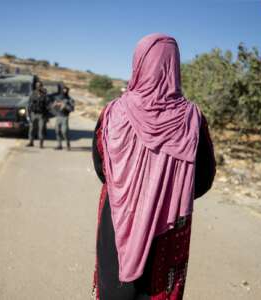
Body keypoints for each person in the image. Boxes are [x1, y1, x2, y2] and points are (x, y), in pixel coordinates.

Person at [91, 34, 216, 300]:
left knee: (115, 287)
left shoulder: (112, 112)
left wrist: (129, 189)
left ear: (138, 63)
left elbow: (102, 168)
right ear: (174, 65)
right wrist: (168, 194)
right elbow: (204, 178)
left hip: (117, 216)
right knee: (159, 289)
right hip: (170, 222)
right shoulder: (193, 118)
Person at [52, 86, 74, 150]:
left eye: (66, 90)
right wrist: (55, 105)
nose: (64, 91)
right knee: (57, 131)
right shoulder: (58, 98)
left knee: (64, 131)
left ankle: (67, 144)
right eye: (63, 90)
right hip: (58, 116)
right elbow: (53, 107)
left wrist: (65, 106)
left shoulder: (70, 99)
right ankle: (59, 145)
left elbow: (72, 109)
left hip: (65, 117)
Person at [27, 81, 47, 148]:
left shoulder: (44, 95)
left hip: (41, 115)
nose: (38, 86)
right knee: (31, 129)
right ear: (35, 86)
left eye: (40, 85)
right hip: (33, 114)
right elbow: (29, 104)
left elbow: (47, 105)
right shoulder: (32, 93)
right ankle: (31, 142)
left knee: (41, 129)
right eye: (37, 85)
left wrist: (47, 116)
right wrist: (28, 114)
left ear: (42, 86)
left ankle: (41, 144)